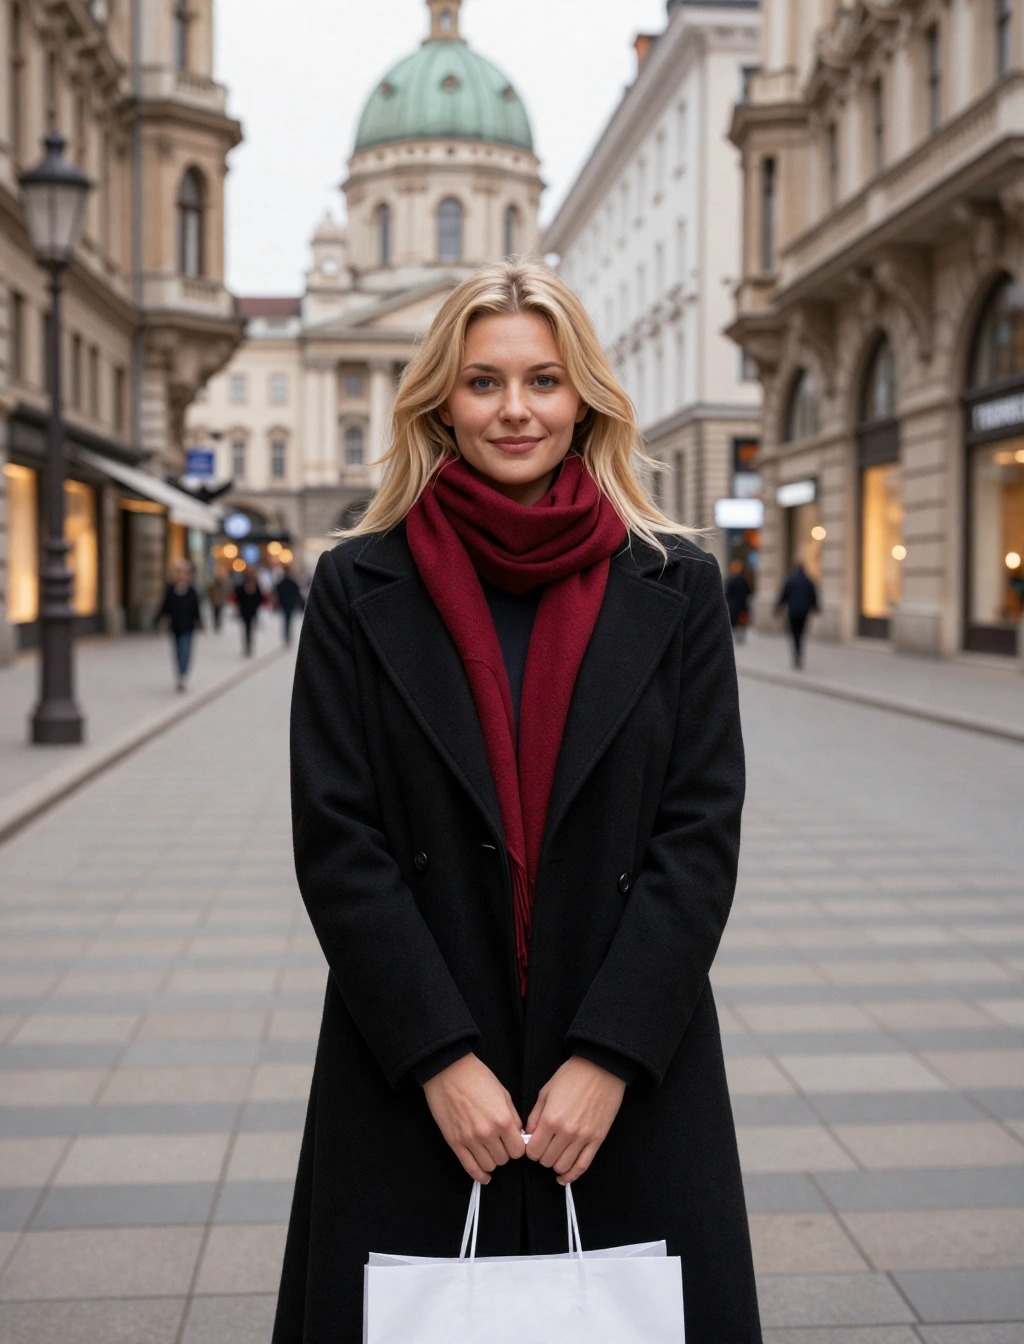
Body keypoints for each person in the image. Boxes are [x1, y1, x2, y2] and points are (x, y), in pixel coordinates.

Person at [273, 261, 761, 1344]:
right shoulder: (358, 585)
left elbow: (698, 834)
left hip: (626, 1067)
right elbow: (338, 841)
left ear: (582, 394)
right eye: (483, 381)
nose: (514, 409)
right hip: (419, 1066)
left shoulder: (674, 583)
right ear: (440, 398)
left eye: (542, 379)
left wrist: (610, 1056)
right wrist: (440, 1059)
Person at [154, 559, 202, 692]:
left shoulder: (192, 591)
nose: (182, 575)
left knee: (185, 651)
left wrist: (199, 621)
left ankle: (183, 675)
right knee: (177, 652)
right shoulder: (171, 591)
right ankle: (180, 675)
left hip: (188, 626)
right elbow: (165, 607)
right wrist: (158, 619)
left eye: (184, 572)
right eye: (179, 572)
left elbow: (196, 609)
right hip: (175, 627)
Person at [775, 559, 819, 668]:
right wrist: (816, 607)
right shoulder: (808, 580)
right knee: (801, 633)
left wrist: (778, 608)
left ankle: (796, 654)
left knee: (794, 634)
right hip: (804, 612)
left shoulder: (791, 580)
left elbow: (783, 595)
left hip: (793, 611)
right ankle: (799, 653)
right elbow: (813, 596)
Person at [233, 567, 263, 657]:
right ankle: (247, 647)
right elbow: (238, 598)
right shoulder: (241, 586)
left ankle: (249, 647)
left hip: (252, 610)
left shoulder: (256, 586)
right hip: (245, 611)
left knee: (250, 629)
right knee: (246, 629)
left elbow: (260, 598)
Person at [273, 565, 303, 646]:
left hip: (285, 604)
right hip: (290, 604)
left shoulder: (283, 581)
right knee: (288, 621)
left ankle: (287, 636)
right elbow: (297, 592)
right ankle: (288, 637)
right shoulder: (291, 582)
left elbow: (277, 590)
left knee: (286, 621)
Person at [725, 558, 753, 642]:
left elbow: (727, 593)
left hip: (733, 604)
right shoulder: (742, 580)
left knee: (734, 621)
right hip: (741, 604)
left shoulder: (731, 579)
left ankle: (735, 636)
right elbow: (748, 592)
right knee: (740, 621)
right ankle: (739, 637)